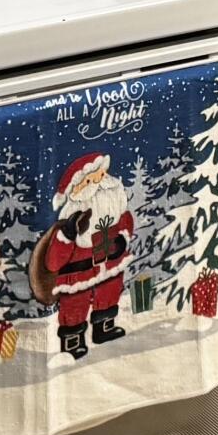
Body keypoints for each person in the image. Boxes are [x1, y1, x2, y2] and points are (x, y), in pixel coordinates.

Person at [29, 151, 134, 360]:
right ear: (76, 190)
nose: (99, 183)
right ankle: (73, 340)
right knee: (75, 303)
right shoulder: (70, 224)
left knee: (109, 292)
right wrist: (68, 234)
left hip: (110, 263)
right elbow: (53, 261)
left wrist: (122, 238)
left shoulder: (115, 208)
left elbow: (126, 222)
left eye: (101, 176)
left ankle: (104, 327)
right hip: (78, 274)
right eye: (90, 180)